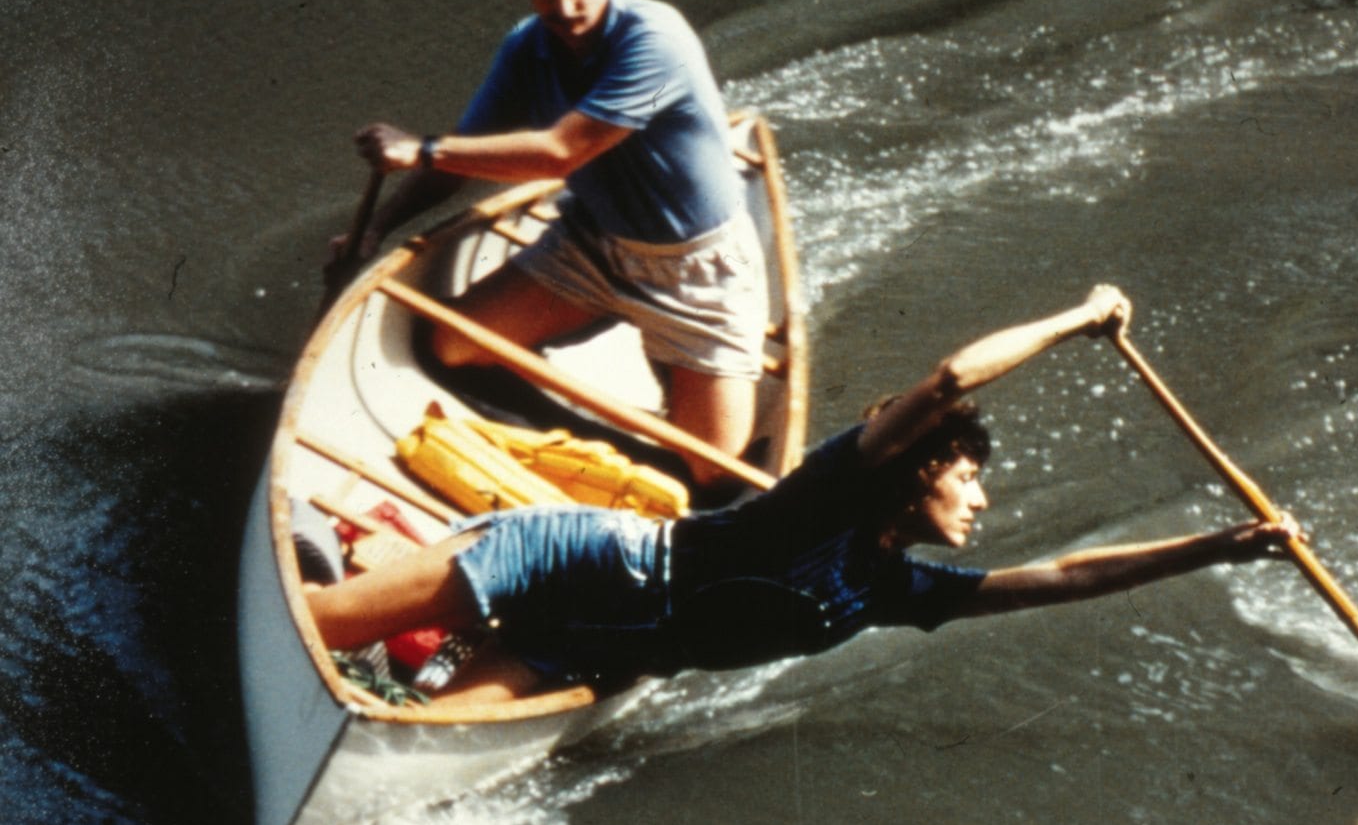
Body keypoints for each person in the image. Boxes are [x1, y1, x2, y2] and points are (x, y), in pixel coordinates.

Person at [305, 286, 1301, 705]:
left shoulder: (893, 590)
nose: (982, 502)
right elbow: (953, 377)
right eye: (968, 477)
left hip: (588, 650)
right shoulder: (827, 492)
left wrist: (1220, 543)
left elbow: (1069, 575)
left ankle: (394, 594)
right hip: (560, 556)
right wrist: (1080, 313)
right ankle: (349, 581)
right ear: (916, 473)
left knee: (433, 727)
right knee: (320, 631)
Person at [333, 0, 765, 492]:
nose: (564, 10)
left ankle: (671, 426)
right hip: (593, 243)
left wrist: (419, 148)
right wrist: (374, 230)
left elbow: (562, 153)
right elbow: (458, 158)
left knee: (716, 474)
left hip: (696, 269)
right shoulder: (527, 47)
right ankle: (602, 454)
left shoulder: (657, 39)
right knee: (450, 345)